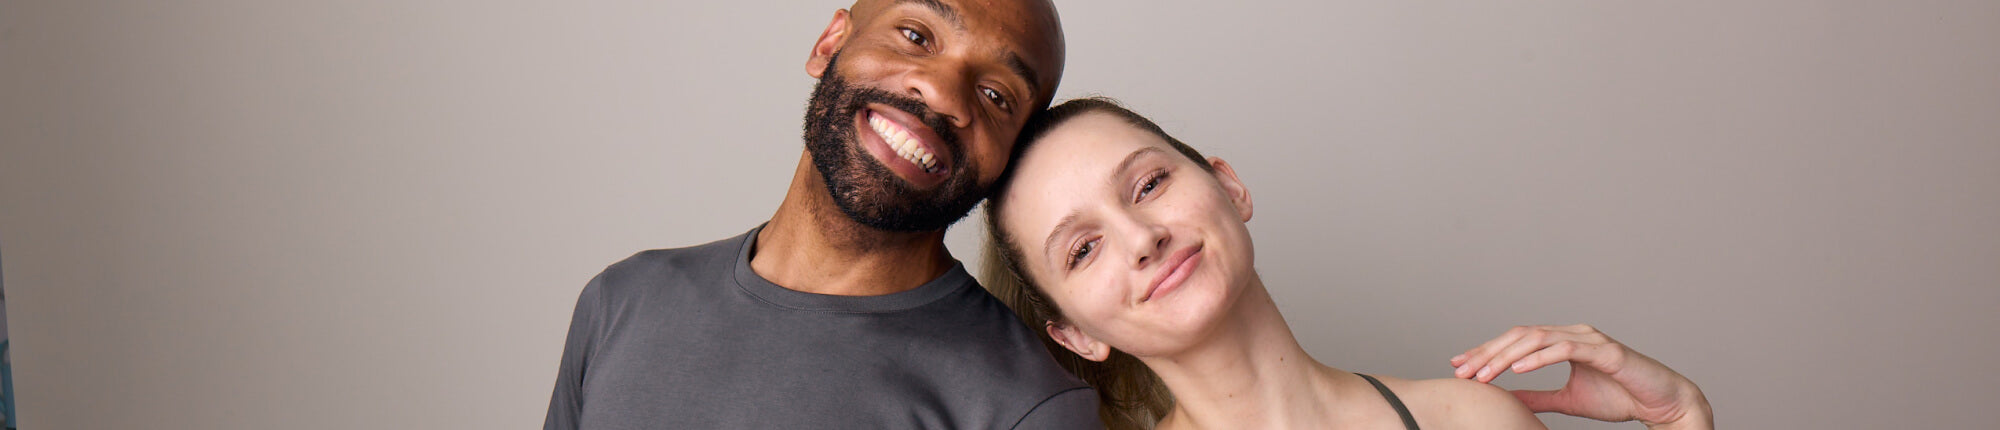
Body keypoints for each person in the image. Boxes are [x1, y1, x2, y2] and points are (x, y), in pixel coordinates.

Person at [981, 97, 1714, 429]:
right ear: (1074, 335)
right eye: (1083, 249)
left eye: (1149, 184)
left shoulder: (1471, 422)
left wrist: (1680, 418)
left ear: (1228, 185)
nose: (1141, 237)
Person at [541, 0, 1098, 428]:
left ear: (1008, 161)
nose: (942, 93)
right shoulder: (621, 300)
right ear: (830, 42)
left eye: (997, 95)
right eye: (915, 35)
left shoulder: (1030, 405)